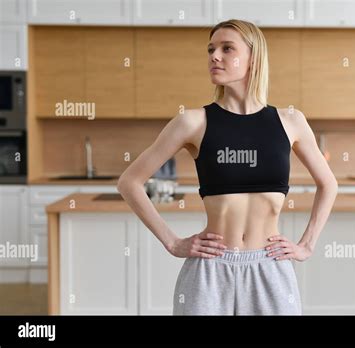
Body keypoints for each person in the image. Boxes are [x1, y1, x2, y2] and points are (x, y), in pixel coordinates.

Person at [117, 19, 338, 315]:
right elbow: (129, 182)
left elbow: (329, 184)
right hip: (210, 272)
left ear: (253, 57)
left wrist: (306, 245)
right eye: (211, 49)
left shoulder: (290, 122)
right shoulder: (192, 122)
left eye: (227, 48)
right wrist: (172, 242)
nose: (214, 56)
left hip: (270, 267)